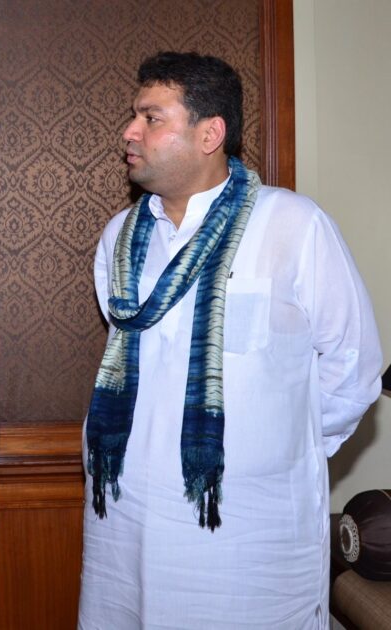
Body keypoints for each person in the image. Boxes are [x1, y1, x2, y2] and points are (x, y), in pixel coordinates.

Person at [78, 51, 382, 629]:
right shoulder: (119, 237)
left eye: (151, 117)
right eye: (134, 116)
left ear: (209, 133)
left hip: (248, 535)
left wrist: (279, 451)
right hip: (125, 523)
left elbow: (355, 367)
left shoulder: (293, 224)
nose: (130, 131)